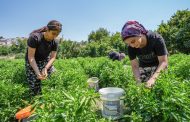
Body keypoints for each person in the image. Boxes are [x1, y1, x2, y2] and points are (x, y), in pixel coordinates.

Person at [121, 20, 168, 88]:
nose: (132, 45)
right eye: (128, 44)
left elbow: (163, 62)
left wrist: (153, 79)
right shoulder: (130, 47)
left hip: (159, 66)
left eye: (133, 41)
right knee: (142, 86)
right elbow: (134, 66)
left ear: (139, 33)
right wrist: (138, 81)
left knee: (159, 86)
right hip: (144, 66)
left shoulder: (156, 39)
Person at [25, 20, 62, 96]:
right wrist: (38, 72)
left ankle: (51, 97)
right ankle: (36, 101)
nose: (55, 36)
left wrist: (45, 68)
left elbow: (53, 57)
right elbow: (31, 57)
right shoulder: (35, 37)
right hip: (32, 62)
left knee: (56, 77)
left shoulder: (55, 41)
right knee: (35, 86)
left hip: (45, 61)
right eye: (53, 33)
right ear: (47, 30)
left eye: (57, 34)